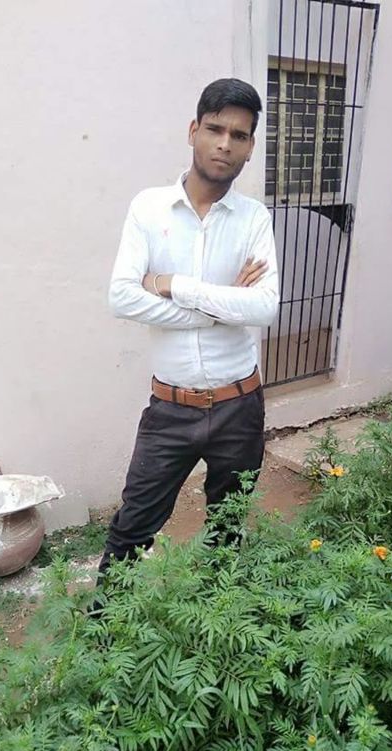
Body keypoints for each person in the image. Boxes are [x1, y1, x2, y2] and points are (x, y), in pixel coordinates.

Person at [96, 77, 279, 588]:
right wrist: (221, 306)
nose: (225, 144)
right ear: (193, 130)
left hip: (239, 405)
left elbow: (264, 306)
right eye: (215, 129)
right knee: (132, 528)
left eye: (239, 135)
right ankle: (104, 626)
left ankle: (214, 621)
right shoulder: (148, 208)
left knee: (227, 528)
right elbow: (122, 297)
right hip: (171, 409)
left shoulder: (253, 218)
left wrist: (173, 285)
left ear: (250, 147)